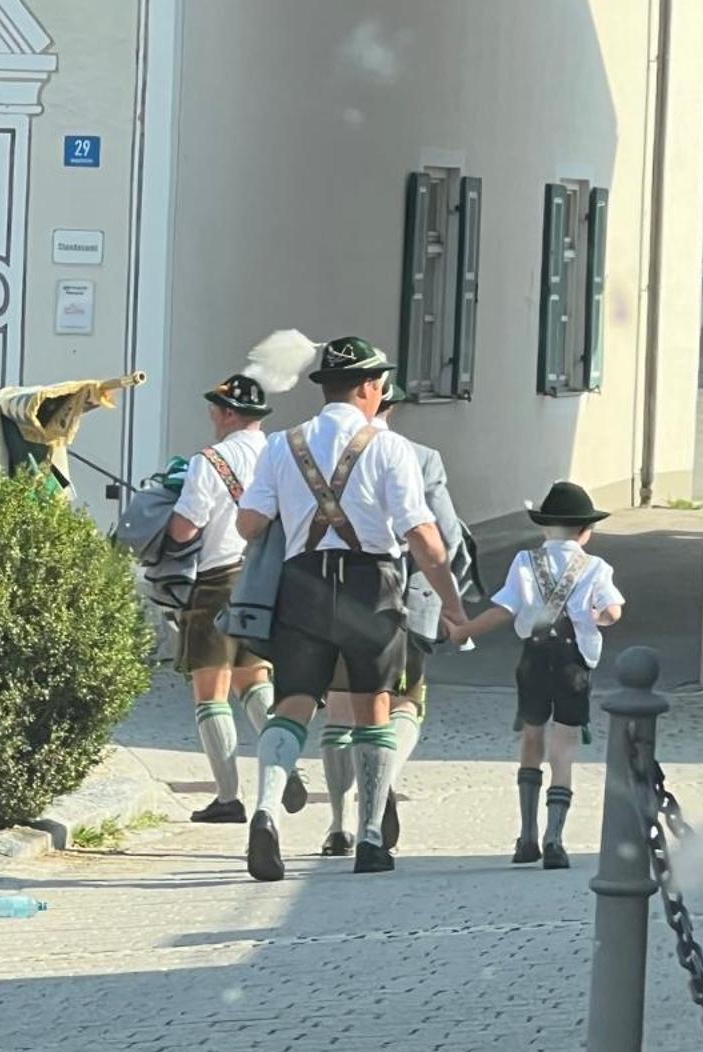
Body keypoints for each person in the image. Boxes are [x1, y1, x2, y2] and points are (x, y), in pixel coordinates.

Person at [235, 335, 470, 879]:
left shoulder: (282, 444)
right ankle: (369, 837)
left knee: (291, 703)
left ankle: (266, 810)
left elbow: (248, 525)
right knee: (374, 707)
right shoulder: (389, 448)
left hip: (303, 582)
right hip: (372, 584)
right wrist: (452, 604)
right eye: (381, 382)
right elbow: (425, 538)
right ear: (367, 387)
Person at [319, 378, 479, 857]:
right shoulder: (421, 456)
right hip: (405, 598)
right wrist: (452, 602)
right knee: (405, 703)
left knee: (341, 706)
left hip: (331, 595)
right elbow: (444, 536)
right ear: (392, 406)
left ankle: (337, 824)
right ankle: (383, 776)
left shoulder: (314, 445)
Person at [166, 373, 308, 823]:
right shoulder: (281, 455)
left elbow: (186, 528)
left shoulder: (209, 460)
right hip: (269, 578)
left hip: (218, 580)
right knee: (255, 680)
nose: (211, 415)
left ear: (229, 413)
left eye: (215, 408)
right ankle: (286, 763)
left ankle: (228, 797)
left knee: (211, 693)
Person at [462, 481, 623, 870]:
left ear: (543, 528)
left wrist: (463, 630)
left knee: (532, 739)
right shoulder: (596, 567)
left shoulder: (523, 562)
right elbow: (613, 612)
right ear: (586, 532)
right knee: (564, 748)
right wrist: (596, 618)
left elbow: (503, 609)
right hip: (573, 663)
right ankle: (555, 838)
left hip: (533, 659)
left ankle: (527, 836)